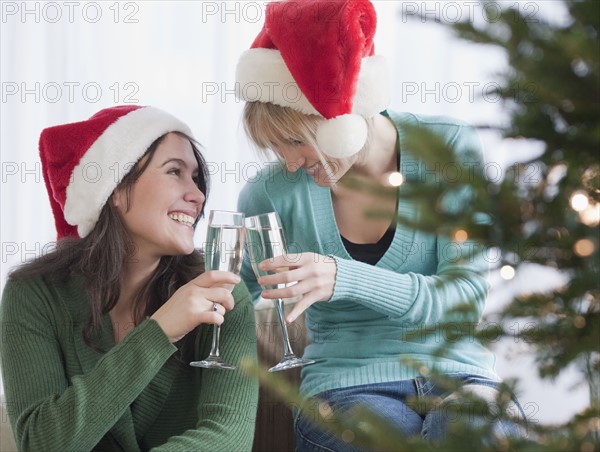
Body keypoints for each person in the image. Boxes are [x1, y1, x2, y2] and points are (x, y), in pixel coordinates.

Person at [235, 0, 527, 450]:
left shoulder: (445, 148)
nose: (291, 163)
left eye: (296, 141)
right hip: (345, 386)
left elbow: (464, 300)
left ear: (341, 116)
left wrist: (343, 277)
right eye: (277, 149)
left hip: (458, 372)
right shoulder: (271, 193)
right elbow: (239, 295)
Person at [0, 105, 258, 451]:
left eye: (195, 177)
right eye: (174, 172)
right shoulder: (33, 295)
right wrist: (159, 331)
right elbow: (41, 443)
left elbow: (230, 437)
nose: (197, 195)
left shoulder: (222, 295)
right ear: (116, 190)